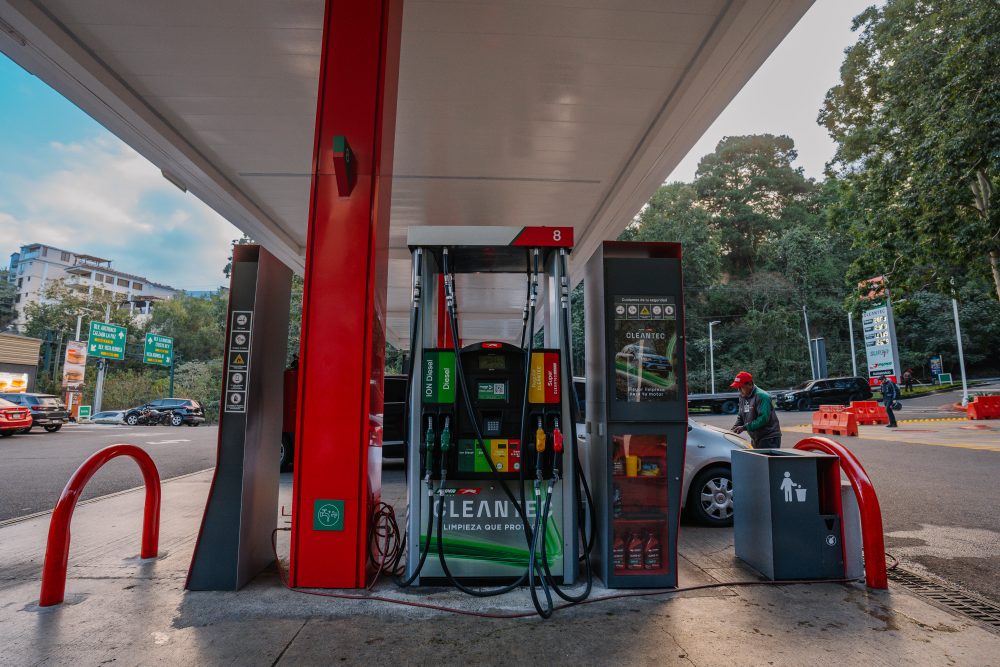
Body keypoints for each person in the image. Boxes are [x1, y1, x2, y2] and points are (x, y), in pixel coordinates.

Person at [730, 371, 782, 448]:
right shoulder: (743, 397)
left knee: (766, 459)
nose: (739, 390)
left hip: (769, 438)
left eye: (741, 387)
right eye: (737, 387)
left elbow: (763, 419)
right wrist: (735, 428)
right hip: (756, 438)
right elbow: (741, 416)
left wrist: (745, 427)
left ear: (750, 384)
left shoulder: (762, 396)